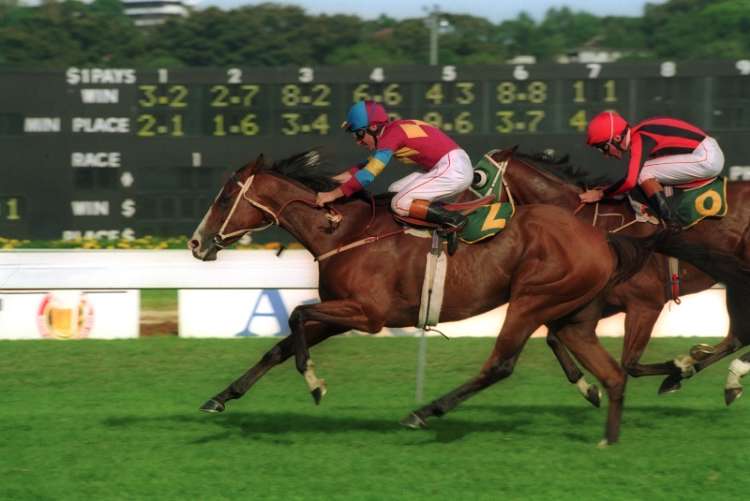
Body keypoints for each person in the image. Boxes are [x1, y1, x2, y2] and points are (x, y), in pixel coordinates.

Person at [315, 100, 474, 254]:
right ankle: (425, 229)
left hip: (453, 168)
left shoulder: (392, 136)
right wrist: (331, 182)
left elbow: (367, 176)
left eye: (359, 134)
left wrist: (333, 194)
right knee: (394, 191)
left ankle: (454, 220)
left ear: (374, 127)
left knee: (399, 203)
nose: (358, 141)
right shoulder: (393, 130)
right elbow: (365, 167)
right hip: (448, 164)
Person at [579, 110, 725, 231]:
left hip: (706, 156)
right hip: (705, 153)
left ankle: (671, 222)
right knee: (646, 169)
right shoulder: (641, 133)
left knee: (643, 172)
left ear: (617, 138)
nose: (605, 154)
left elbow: (630, 181)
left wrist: (601, 193)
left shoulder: (640, 138)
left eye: (603, 147)